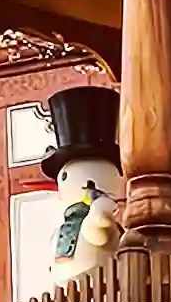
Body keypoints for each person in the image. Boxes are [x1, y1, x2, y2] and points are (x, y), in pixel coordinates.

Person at [38, 86, 124, 284]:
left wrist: (101, 210)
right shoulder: (62, 229)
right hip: (66, 294)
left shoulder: (96, 219)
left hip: (98, 288)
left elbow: (99, 229)